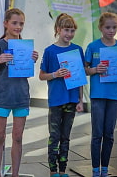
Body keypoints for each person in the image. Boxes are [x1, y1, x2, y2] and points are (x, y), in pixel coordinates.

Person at [0, 8, 39, 177]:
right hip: (2, 96)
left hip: (21, 96)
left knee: (17, 137)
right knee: (0, 136)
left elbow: (26, 71)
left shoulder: (24, 47)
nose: (18, 26)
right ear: (6, 24)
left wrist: (32, 60)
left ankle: (15, 174)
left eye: (21, 23)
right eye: (14, 23)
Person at [84, 12, 117, 177]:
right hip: (98, 94)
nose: (111, 30)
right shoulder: (93, 46)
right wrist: (95, 70)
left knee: (109, 134)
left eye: (114, 27)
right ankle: (95, 169)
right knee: (97, 134)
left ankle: (105, 169)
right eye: (108, 27)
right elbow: (84, 70)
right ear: (101, 28)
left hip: (114, 95)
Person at [39, 13, 84, 177]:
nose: (69, 34)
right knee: (54, 136)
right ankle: (53, 170)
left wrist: (81, 99)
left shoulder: (77, 50)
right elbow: (42, 75)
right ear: (58, 29)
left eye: (72, 31)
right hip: (56, 100)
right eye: (66, 30)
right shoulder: (50, 51)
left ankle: (63, 169)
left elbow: (80, 77)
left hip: (71, 100)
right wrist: (55, 74)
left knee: (66, 137)